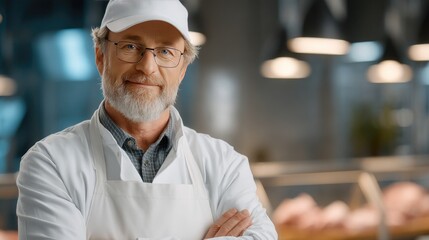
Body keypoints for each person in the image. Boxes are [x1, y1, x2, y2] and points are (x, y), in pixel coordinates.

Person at [16, 0, 277, 239]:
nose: (147, 67)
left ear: (183, 69)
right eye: (130, 47)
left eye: (165, 52)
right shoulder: (50, 163)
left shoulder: (224, 164)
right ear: (100, 56)